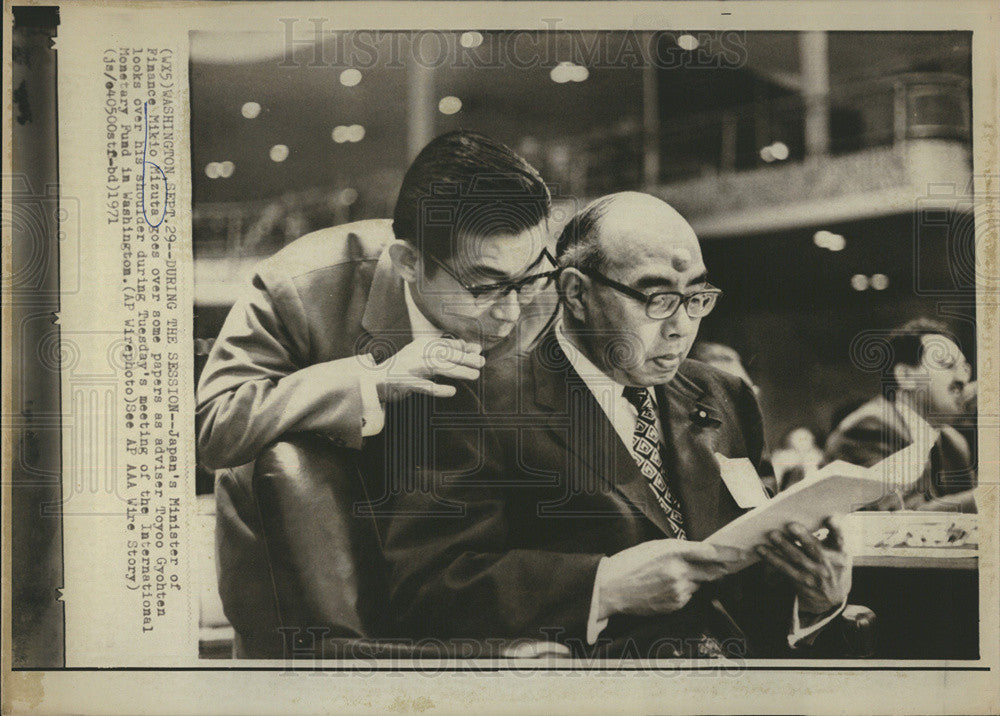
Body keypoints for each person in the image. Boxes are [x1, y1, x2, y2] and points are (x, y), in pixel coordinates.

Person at [381, 192, 852, 658]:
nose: (682, 326)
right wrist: (602, 588)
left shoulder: (725, 396)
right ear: (576, 293)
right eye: (657, 298)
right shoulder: (473, 400)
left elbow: (748, 582)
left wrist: (812, 600)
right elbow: (425, 588)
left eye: (697, 298)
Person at [200, 130, 561, 653]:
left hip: (456, 563)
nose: (511, 312)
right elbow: (210, 427)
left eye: (527, 280)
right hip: (309, 575)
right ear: (408, 262)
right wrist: (371, 381)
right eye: (484, 288)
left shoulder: (538, 294)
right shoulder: (299, 286)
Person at [823, 317, 977, 510]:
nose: (963, 379)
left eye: (965, 368)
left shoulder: (954, 444)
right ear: (905, 377)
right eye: (946, 364)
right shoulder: (868, 429)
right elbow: (900, 520)